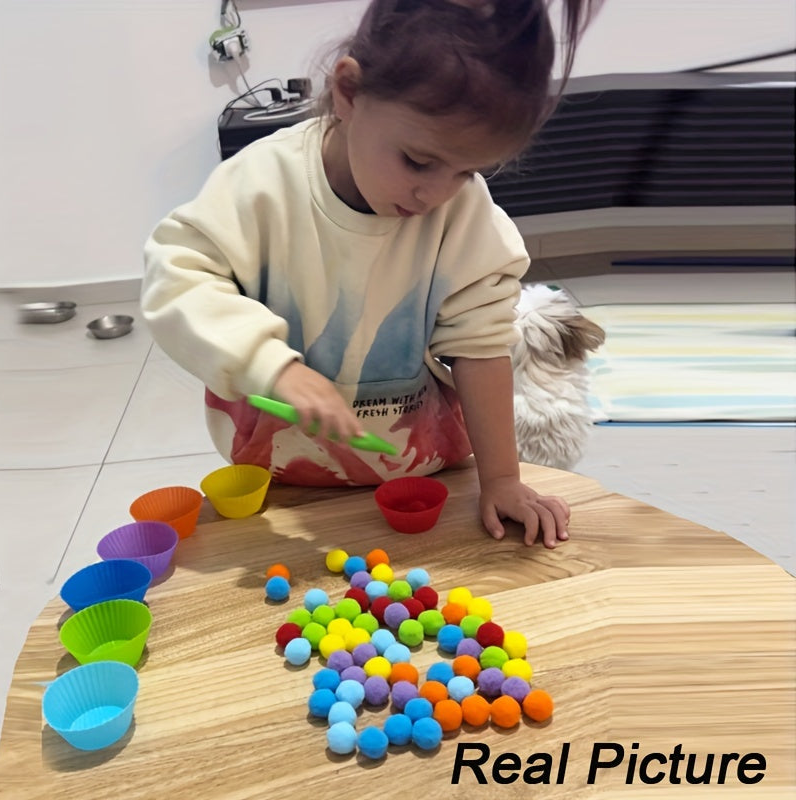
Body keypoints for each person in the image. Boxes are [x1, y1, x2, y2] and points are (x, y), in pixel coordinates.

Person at [141, 0, 597, 548]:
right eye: (418, 162)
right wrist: (274, 367)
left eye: (468, 170)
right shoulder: (260, 186)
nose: (436, 195)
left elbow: (481, 345)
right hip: (282, 474)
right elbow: (178, 280)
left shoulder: (463, 210)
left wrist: (502, 478)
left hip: (422, 468)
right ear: (349, 92)